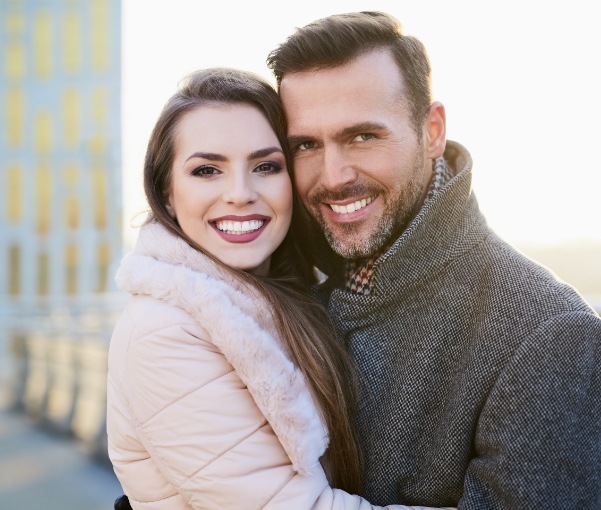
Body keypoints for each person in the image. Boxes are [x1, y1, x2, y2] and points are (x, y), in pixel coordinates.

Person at [266, 10, 601, 509]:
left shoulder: (546, 333)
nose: (333, 176)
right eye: (308, 145)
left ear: (433, 131)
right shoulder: (277, 285)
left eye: (363, 136)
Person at [107, 67, 450, 510]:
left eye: (266, 166)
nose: (240, 193)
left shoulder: (281, 299)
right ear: (167, 193)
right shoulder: (163, 332)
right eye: (207, 170)